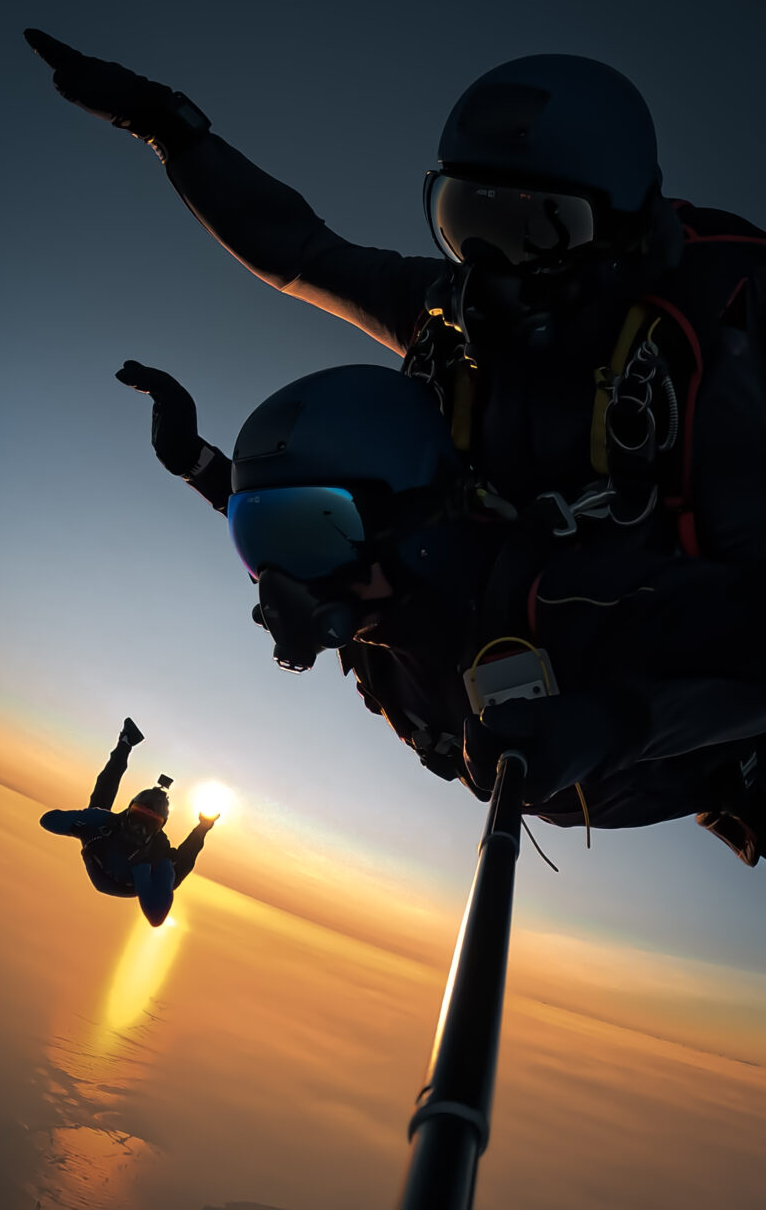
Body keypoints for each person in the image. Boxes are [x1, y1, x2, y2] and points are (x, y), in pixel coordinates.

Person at [24, 29, 766, 563]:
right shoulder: (450, 308)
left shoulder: (727, 341)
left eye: (539, 229)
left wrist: (642, 719)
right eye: (465, 222)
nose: (491, 268)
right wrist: (165, 126)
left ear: (622, 235)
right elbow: (300, 253)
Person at [119, 361, 766, 864]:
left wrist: (619, 724)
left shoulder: (572, 600)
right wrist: (199, 468)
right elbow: (309, 524)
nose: (284, 586)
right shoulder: (375, 617)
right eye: (254, 542)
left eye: (313, 539)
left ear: (413, 525)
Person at [40, 718, 219, 925]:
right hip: (113, 863)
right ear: (128, 811)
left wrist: (87, 829)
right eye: (138, 816)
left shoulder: (156, 857)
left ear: (159, 828)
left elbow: (156, 915)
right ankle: (125, 742)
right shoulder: (107, 827)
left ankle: (126, 742)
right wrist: (85, 824)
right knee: (100, 810)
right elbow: (47, 820)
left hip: (115, 867)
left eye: (150, 822)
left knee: (172, 867)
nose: (139, 827)